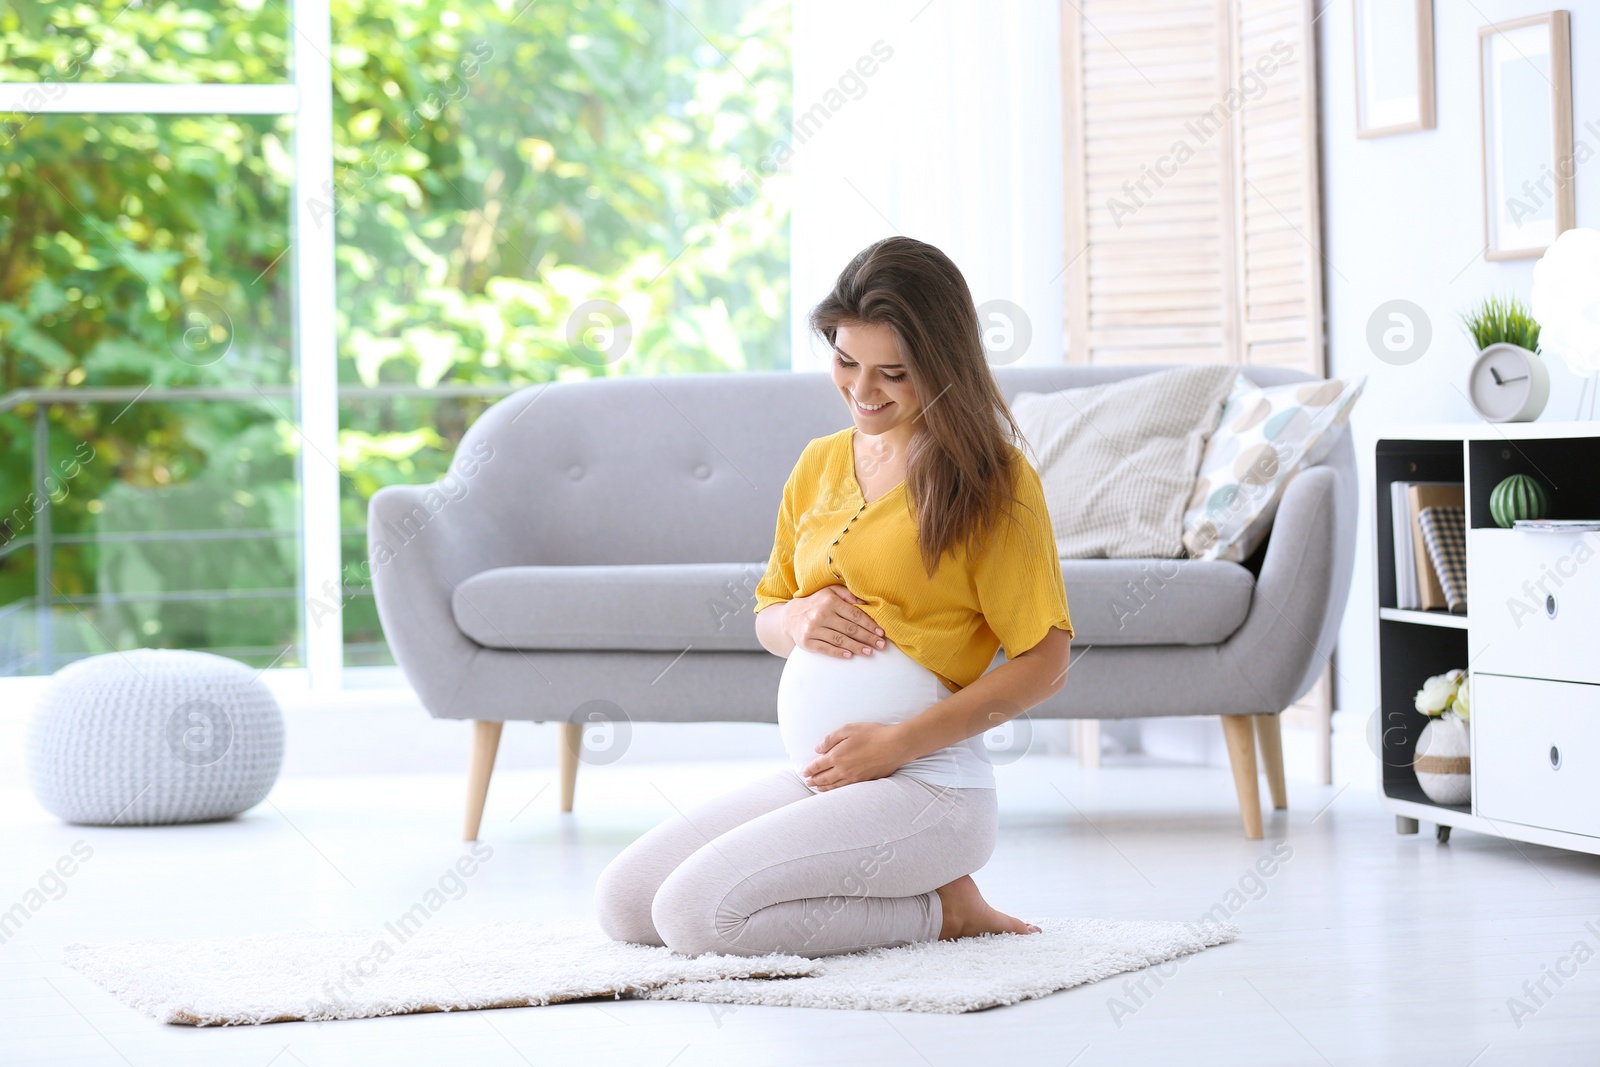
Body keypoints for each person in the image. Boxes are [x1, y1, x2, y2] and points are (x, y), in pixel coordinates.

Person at [594, 236, 1074, 959]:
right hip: (826, 779)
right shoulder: (819, 463)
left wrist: (897, 743)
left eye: (894, 373)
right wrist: (795, 617)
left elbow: (1047, 661)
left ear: (943, 370)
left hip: (931, 790)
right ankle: (933, 892)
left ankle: (944, 912)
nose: (863, 390)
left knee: (697, 917)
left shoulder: (992, 482)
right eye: (846, 361)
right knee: (628, 904)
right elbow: (768, 613)